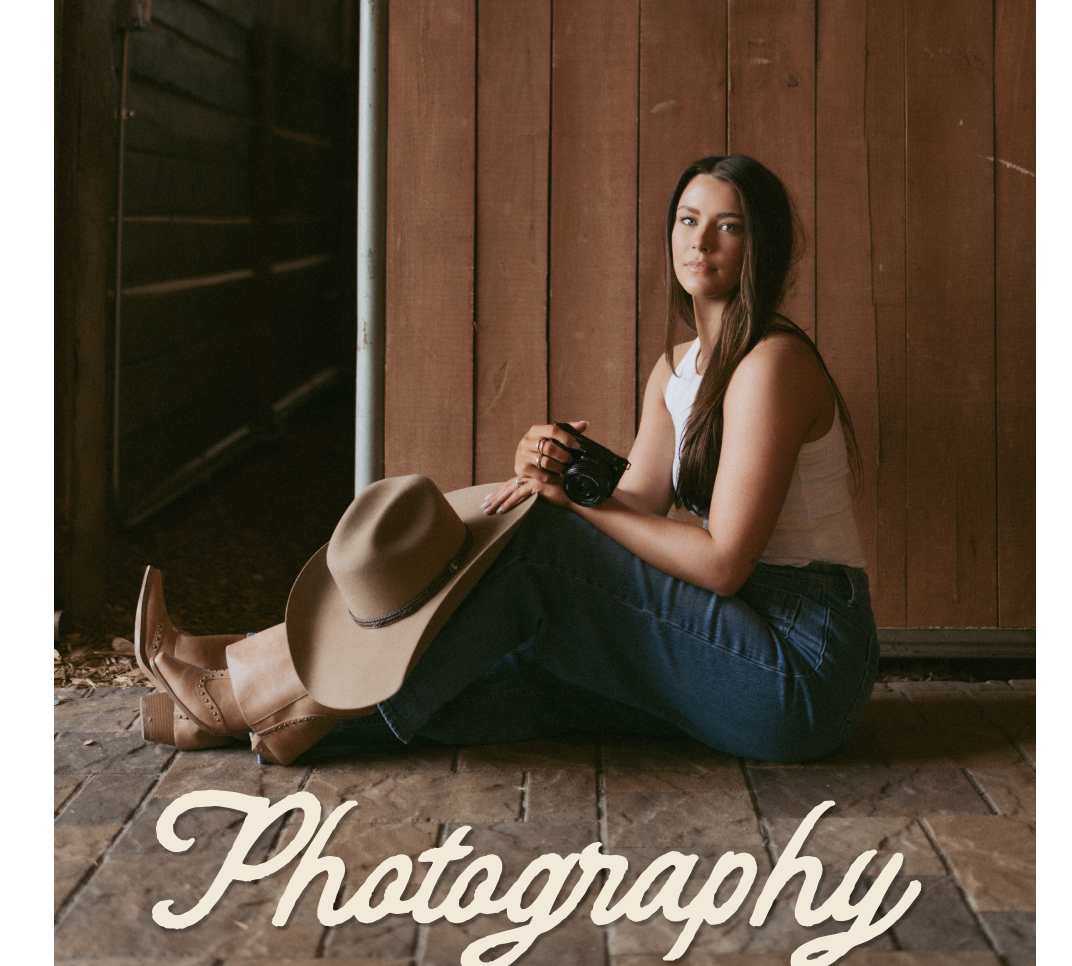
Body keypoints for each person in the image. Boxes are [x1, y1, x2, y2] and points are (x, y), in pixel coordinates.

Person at [136, 154, 877, 766]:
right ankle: (229, 716)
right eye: (688, 220)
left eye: (728, 227)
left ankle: (240, 684)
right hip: (736, 635)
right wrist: (557, 470)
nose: (701, 242)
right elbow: (644, 502)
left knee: (538, 544)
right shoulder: (677, 367)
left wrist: (571, 506)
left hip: (800, 662)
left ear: (760, 247)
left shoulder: (772, 363)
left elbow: (721, 565)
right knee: (513, 673)